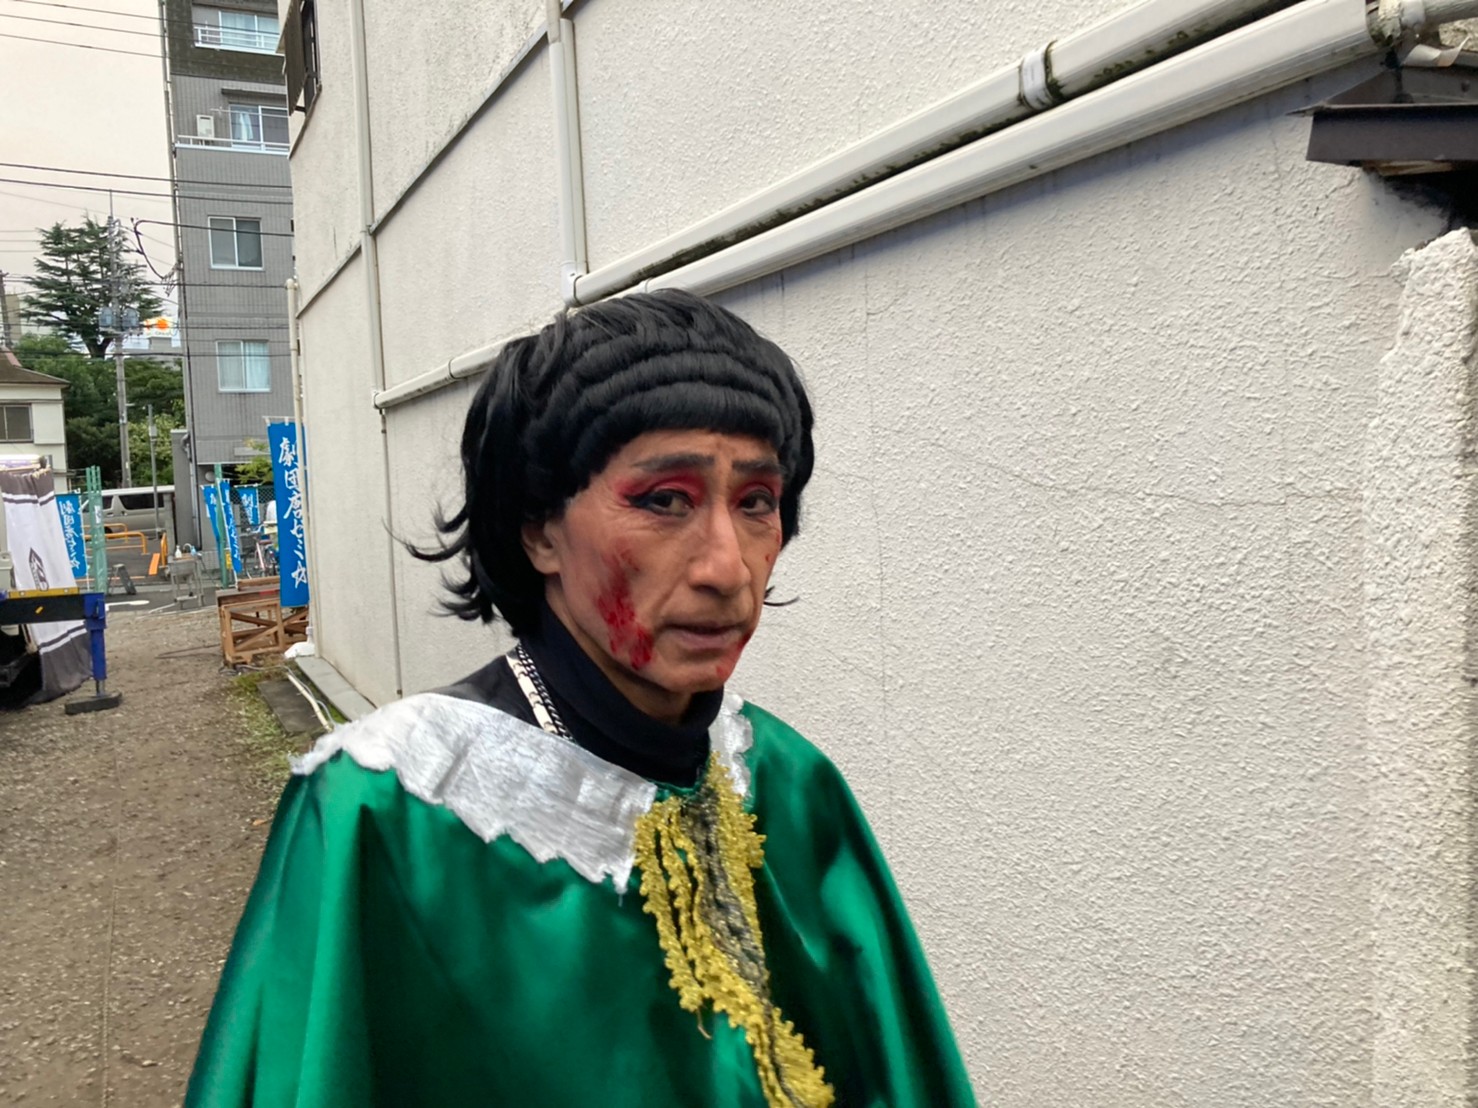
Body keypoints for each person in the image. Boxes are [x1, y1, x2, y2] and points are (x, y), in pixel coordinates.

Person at [186, 290, 976, 1107]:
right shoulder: (388, 810)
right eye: (664, 500)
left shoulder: (786, 781)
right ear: (539, 530)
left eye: (756, 504)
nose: (727, 567)